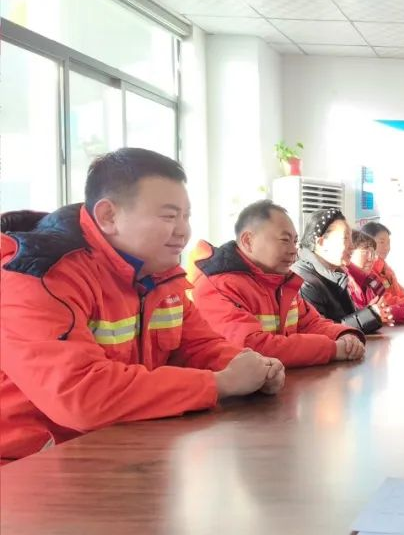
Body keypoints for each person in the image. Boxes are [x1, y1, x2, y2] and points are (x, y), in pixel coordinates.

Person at [0, 148, 283, 464]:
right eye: (169, 216)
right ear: (108, 216)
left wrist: (253, 367)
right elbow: (81, 395)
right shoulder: (36, 275)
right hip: (27, 469)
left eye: (186, 217)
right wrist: (219, 383)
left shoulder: (159, 274)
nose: (183, 231)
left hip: (120, 452)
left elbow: (199, 345)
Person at [191, 201, 365, 368]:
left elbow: (311, 323)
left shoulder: (281, 281)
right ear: (248, 241)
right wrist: (332, 349)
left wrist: (343, 335)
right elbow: (250, 347)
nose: (293, 250)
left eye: (295, 241)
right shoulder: (219, 285)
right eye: (284, 240)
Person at [291, 209, 383, 334]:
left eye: (351, 239)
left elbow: (342, 319)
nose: (352, 246)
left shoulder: (336, 275)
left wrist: (372, 314)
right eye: (345, 238)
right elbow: (319, 332)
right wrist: (368, 316)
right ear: (321, 242)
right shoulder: (304, 282)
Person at [347, 229, 404, 325]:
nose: (372, 259)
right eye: (366, 252)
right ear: (348, 252)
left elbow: (385, 304)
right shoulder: (345, 282)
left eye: (373, 253)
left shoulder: (371, 279)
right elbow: (362, 316)